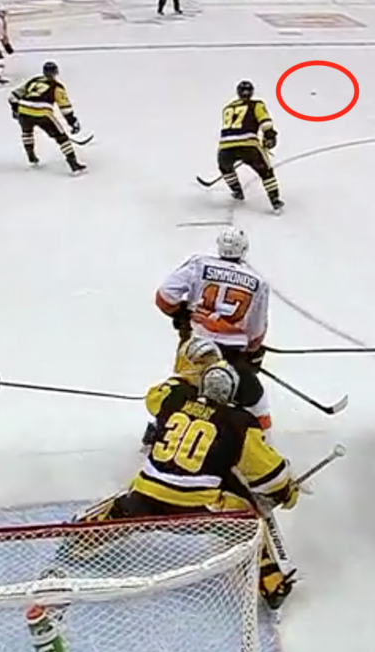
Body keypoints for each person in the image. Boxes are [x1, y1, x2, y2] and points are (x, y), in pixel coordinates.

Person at [81, 361, 300, 608]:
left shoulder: (173, 398)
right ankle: (270, 581)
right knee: (248, 519)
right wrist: (287, 491)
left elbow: (154, 395)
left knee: (127, 504)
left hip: (147, 497)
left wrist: (186, 375)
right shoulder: (239, 422)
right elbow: (271, 476)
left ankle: (83, 536)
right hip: (197, 508)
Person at [155, 226, 273, 434]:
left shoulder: (199, 264)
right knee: (256, 402)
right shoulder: (258, 282)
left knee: (181, 389)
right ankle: (263, 443)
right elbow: (256, 332)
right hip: (231, 352)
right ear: (244, 249)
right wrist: (251, 352)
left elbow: (165, 297)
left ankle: (158, 433)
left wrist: (181, 313)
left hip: (196, 344)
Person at [217, 80, 283, 212]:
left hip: (225, 148)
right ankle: (275, 200)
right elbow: (265, 122)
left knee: (226, 168)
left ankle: (237, 191)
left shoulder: (227, 108)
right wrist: (269, 136)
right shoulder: (256, 105)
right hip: (249, 146)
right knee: (266, 171)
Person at [9, 61, 86, 172]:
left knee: (27, 132)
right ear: (56, 72)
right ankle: (73, 164)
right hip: (42, 113)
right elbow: (65, 108)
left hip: (24, 110)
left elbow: (13, 96)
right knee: (61, 138)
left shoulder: (34, 80)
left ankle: (31, 157)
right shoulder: (57, 87)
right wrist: (72, 122)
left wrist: (15, 109)